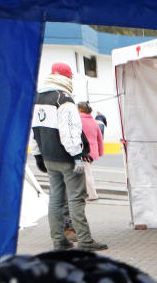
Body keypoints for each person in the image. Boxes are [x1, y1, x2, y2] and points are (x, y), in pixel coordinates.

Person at [30, 62, 108, 251]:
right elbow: (70, 132)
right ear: (66, 78)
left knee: (55, 198)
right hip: (66, 158)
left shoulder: (38, 98)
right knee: (76, 198)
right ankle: (85, 240)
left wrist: (38, 155)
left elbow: (34, 130)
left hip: (48, 158)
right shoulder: (63, 100)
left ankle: (59, 240)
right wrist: (77, 156)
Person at [78, 102, 104, 201]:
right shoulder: (93, 121)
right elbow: (100, 138)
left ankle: (92, 194)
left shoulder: (78, 120)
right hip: (92, 152)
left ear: (80, 109)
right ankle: (85, 193)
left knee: (86, 173)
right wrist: (100, 152)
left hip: (83, 151)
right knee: (83, 172)